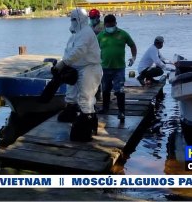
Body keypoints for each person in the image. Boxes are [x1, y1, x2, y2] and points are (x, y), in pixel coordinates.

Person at [54, 8, 102, 142]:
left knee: (86, 98)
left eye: (74, 19)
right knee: (74, 95)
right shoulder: (76, 34)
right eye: (71, 19)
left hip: (89, 68)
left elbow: (79, 50)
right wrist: (65, 64)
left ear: (80, 19)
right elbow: (70, 51)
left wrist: (64, 63)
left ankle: (86, 126)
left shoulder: (86, 33)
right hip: (78, 68)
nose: (72, 22)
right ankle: (76, 116)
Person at [97, 14, 137, 120]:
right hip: (105, 67)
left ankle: (121, 112)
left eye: (112, 24)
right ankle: (105, 108)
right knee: (105, 89)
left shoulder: (123, 34)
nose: (110, 27)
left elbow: (132, 45)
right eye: (108, 25)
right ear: (104, 25)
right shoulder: (100, 36)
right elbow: (94, 49)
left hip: (119, 68)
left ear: (116, 23)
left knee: (119, 90)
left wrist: (133, 58)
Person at [88, 8, 104, 101]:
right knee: (93, 75)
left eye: (94, 17)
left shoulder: (103, 25)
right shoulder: (89, 26)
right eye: (91, 17)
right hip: (92, 54)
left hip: (102, 53)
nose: (92, 19)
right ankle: (96, 94)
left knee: (101, 74)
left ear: (98, 17)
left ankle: (100, 94)